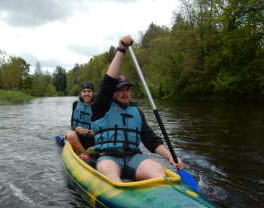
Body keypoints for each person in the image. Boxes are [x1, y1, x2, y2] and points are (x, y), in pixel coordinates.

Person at [90, 35, 183, 183]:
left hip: (134, 158)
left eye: (127, 89)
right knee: (107, 169)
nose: (125, 93)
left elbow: (151, 140)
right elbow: (107, 84)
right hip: (108, 157)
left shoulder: (136, 112)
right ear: (113, 93)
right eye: (120, 90)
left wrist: (170, 156)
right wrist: (121, 50)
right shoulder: (102, 106)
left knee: (157, 169)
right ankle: (119, 197)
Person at [64, 82, 95, 153]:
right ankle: (85, 155)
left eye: (89, 91)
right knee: (71, 135)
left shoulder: (98, 107)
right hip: (79, 138)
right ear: (81, 93)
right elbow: (72, 123)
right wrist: (69, 133)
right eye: (84, 91)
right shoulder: (75, 104)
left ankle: (87, 154)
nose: (86, 94)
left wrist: (86, 131)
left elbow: (102, 132)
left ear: (93, 93)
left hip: (93, 139)